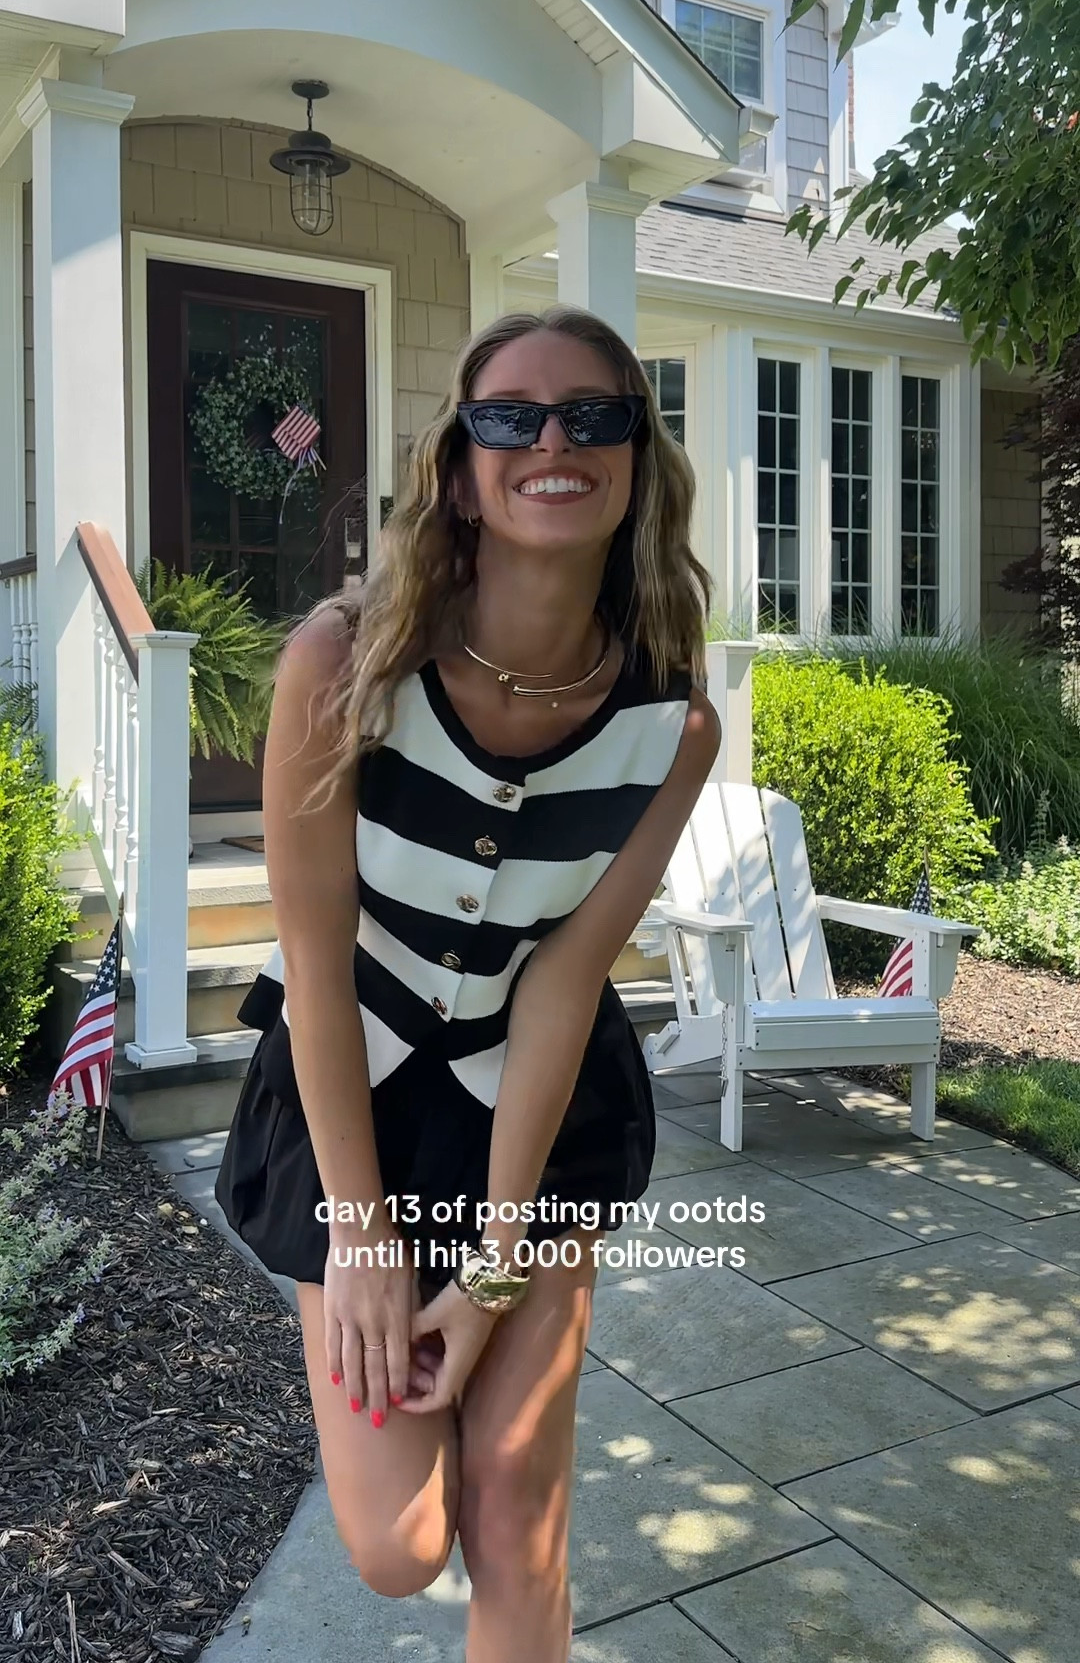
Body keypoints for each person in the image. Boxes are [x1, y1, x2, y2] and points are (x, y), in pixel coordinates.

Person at [214, 304, 721, 1663]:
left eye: (593, 414)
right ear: (460, 465)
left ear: (636, 455)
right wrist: (368, 1243)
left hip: (537, 1123)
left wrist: (496, 1269)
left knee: (516, 1509)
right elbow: (314, 967)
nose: (552, 441)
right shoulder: (344, 668)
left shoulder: (671, 726)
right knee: (399, 1545)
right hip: (352, 1113)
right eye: (511, 417)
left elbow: (565, 983)